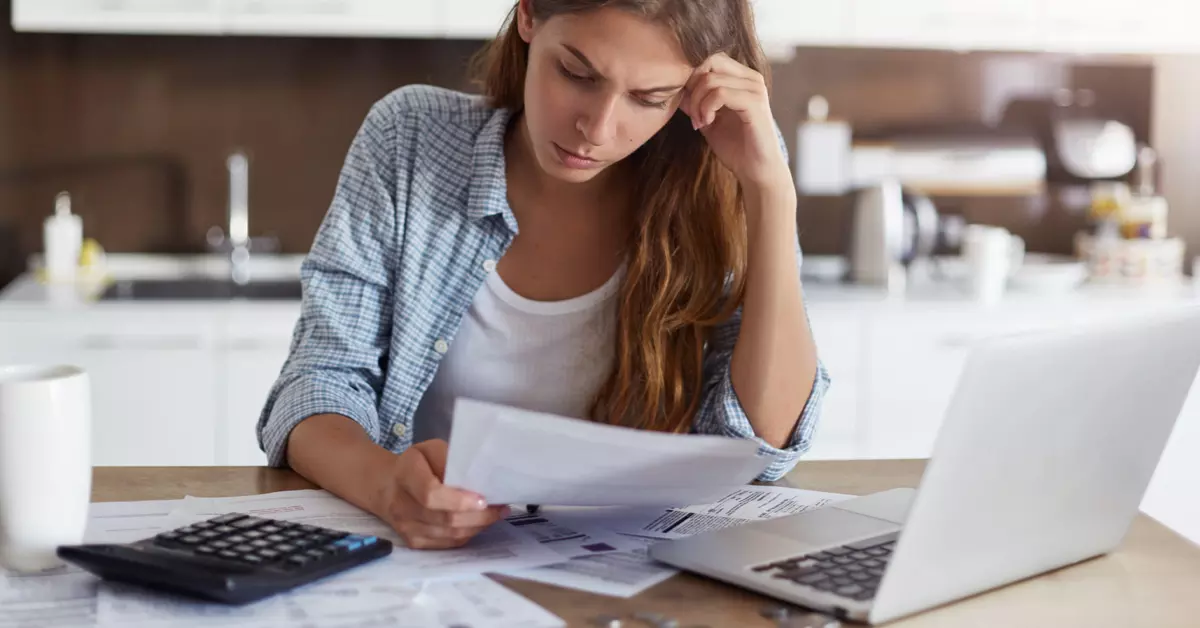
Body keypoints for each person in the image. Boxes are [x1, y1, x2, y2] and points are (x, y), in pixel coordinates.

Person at [257, 0, 829, 550]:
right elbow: (319, 383)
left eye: (649, 98)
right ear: (528, 15)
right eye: (577, 74)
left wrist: (770, 190)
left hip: (633, 576)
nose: (597, 129)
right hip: (435, 564)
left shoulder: (727, 175)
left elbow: (763, 444)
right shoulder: (411, 138)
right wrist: (387, 487)